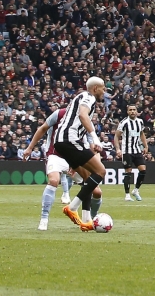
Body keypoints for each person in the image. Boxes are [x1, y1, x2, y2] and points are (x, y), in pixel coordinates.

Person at [20, 107, 100, 231]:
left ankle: (90, 220)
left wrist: (79, 162)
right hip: (55, 154)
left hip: (74, 155)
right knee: (53, 181)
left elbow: (89, 144)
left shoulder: (85, 120)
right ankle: (44, 219)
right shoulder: (59, 114)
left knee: (96, 191)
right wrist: (30, 148)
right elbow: (42, 128)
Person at [52, 76, 108, 232]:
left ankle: (86, 221)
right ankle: (72, 207)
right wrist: (95, 138)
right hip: (69, 139)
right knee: (100, 171)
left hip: (63, 141)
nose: (104, 91)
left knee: (87, 178)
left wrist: (74, 164)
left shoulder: (80, 97)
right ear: (96, 88)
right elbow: (83, 116)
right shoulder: (88, 96)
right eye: (103, 88)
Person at [114, 105, 148, 201]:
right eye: (130, 110)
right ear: (128, 111)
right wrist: (118, 149)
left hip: (137, 150)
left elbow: (141, 134)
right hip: (127, 151)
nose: (132, 111)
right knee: (128, 172)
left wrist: (145, 146)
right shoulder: (124, 122)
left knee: (143, 170)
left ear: (137, 111)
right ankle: (127, 195)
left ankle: (136, 190)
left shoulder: (140, 121)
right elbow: (116, 136)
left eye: (134, 110)